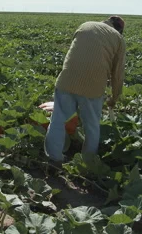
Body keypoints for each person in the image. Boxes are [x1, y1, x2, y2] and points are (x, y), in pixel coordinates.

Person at [45, 16, 126, 163]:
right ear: (119, 30)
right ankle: (87, 163)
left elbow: (75, 52)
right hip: (93, 86)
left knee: (57, 120)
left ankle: (53, 158)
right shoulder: (118, 39)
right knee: (92, 126)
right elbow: (118, 75)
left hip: (67, 80)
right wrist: (114, 98)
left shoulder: (85, 25)